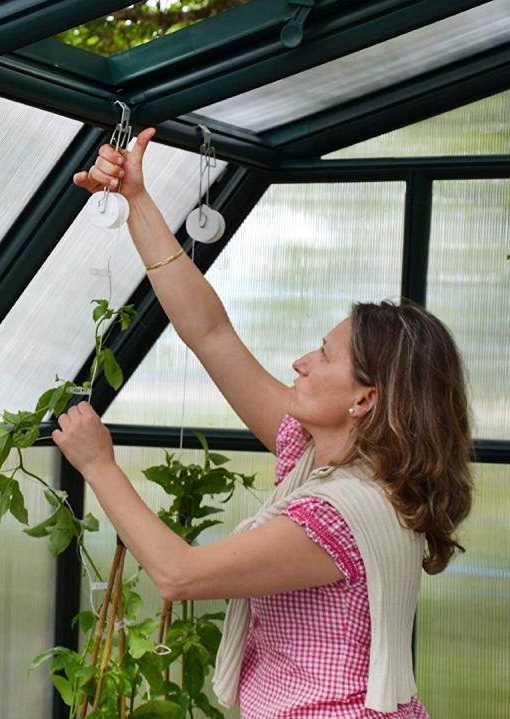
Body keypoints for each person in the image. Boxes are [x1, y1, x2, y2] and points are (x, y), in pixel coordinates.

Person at [52, 127, 473, 718]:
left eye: (324, 356)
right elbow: (210, 332)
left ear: (365, 401)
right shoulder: (320, 454)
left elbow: (178, 575)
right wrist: (137, 202)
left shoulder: (338, 514)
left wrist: (98, 466)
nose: (301, 362)